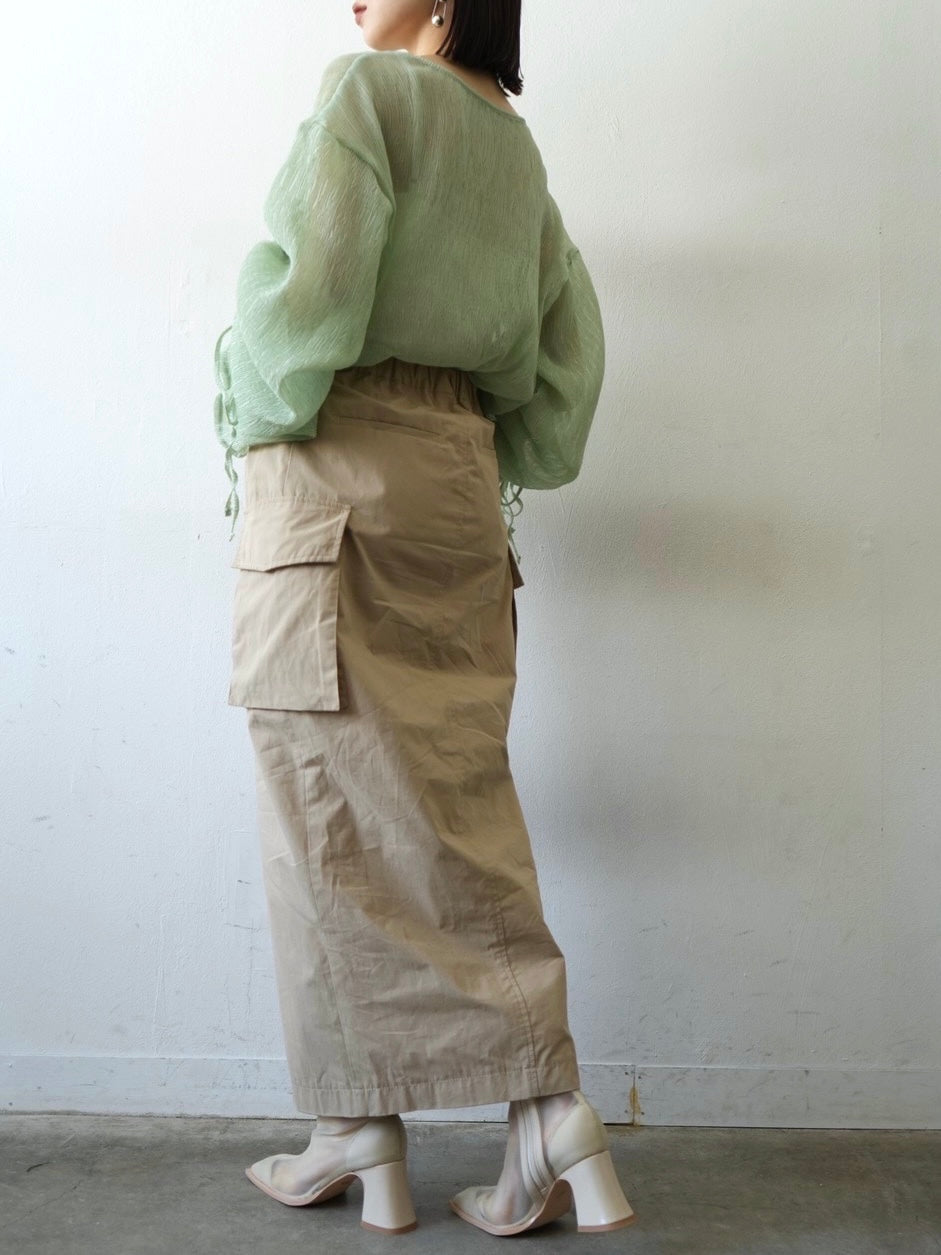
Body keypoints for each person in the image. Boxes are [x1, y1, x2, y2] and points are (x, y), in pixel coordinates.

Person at [212, 0, 635, 1237]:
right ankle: (506, 1119)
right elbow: (563, 377)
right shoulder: (514, 148)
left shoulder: (367, 94)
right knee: (455, 805)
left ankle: (392, 1121)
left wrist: (240, 392)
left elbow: (306, 305)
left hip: (336, 469)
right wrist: (479, 436)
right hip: (458, 488)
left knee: (321, 802)